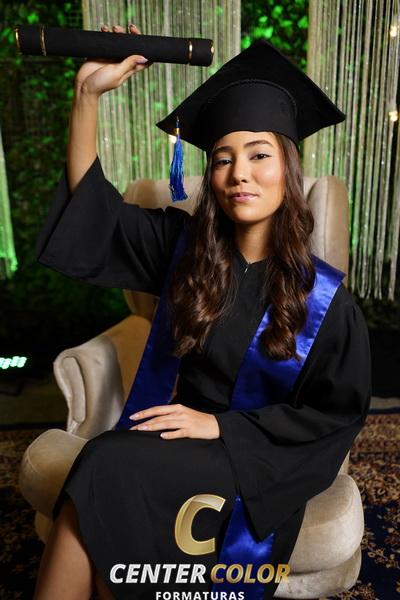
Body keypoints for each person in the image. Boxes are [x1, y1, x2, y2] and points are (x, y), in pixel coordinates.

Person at [32, 23, 371, 600]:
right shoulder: (182, 249)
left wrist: (221, 426)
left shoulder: (323, 298)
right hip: (174, 437)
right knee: (104, 464)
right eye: (222, 159)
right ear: (211, 175)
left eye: (259, 155)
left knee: (107, 464)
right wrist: (87, 95)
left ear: (287, 169)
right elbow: (96, 213)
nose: (239, 173)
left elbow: (334, 414)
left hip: (255, 458)